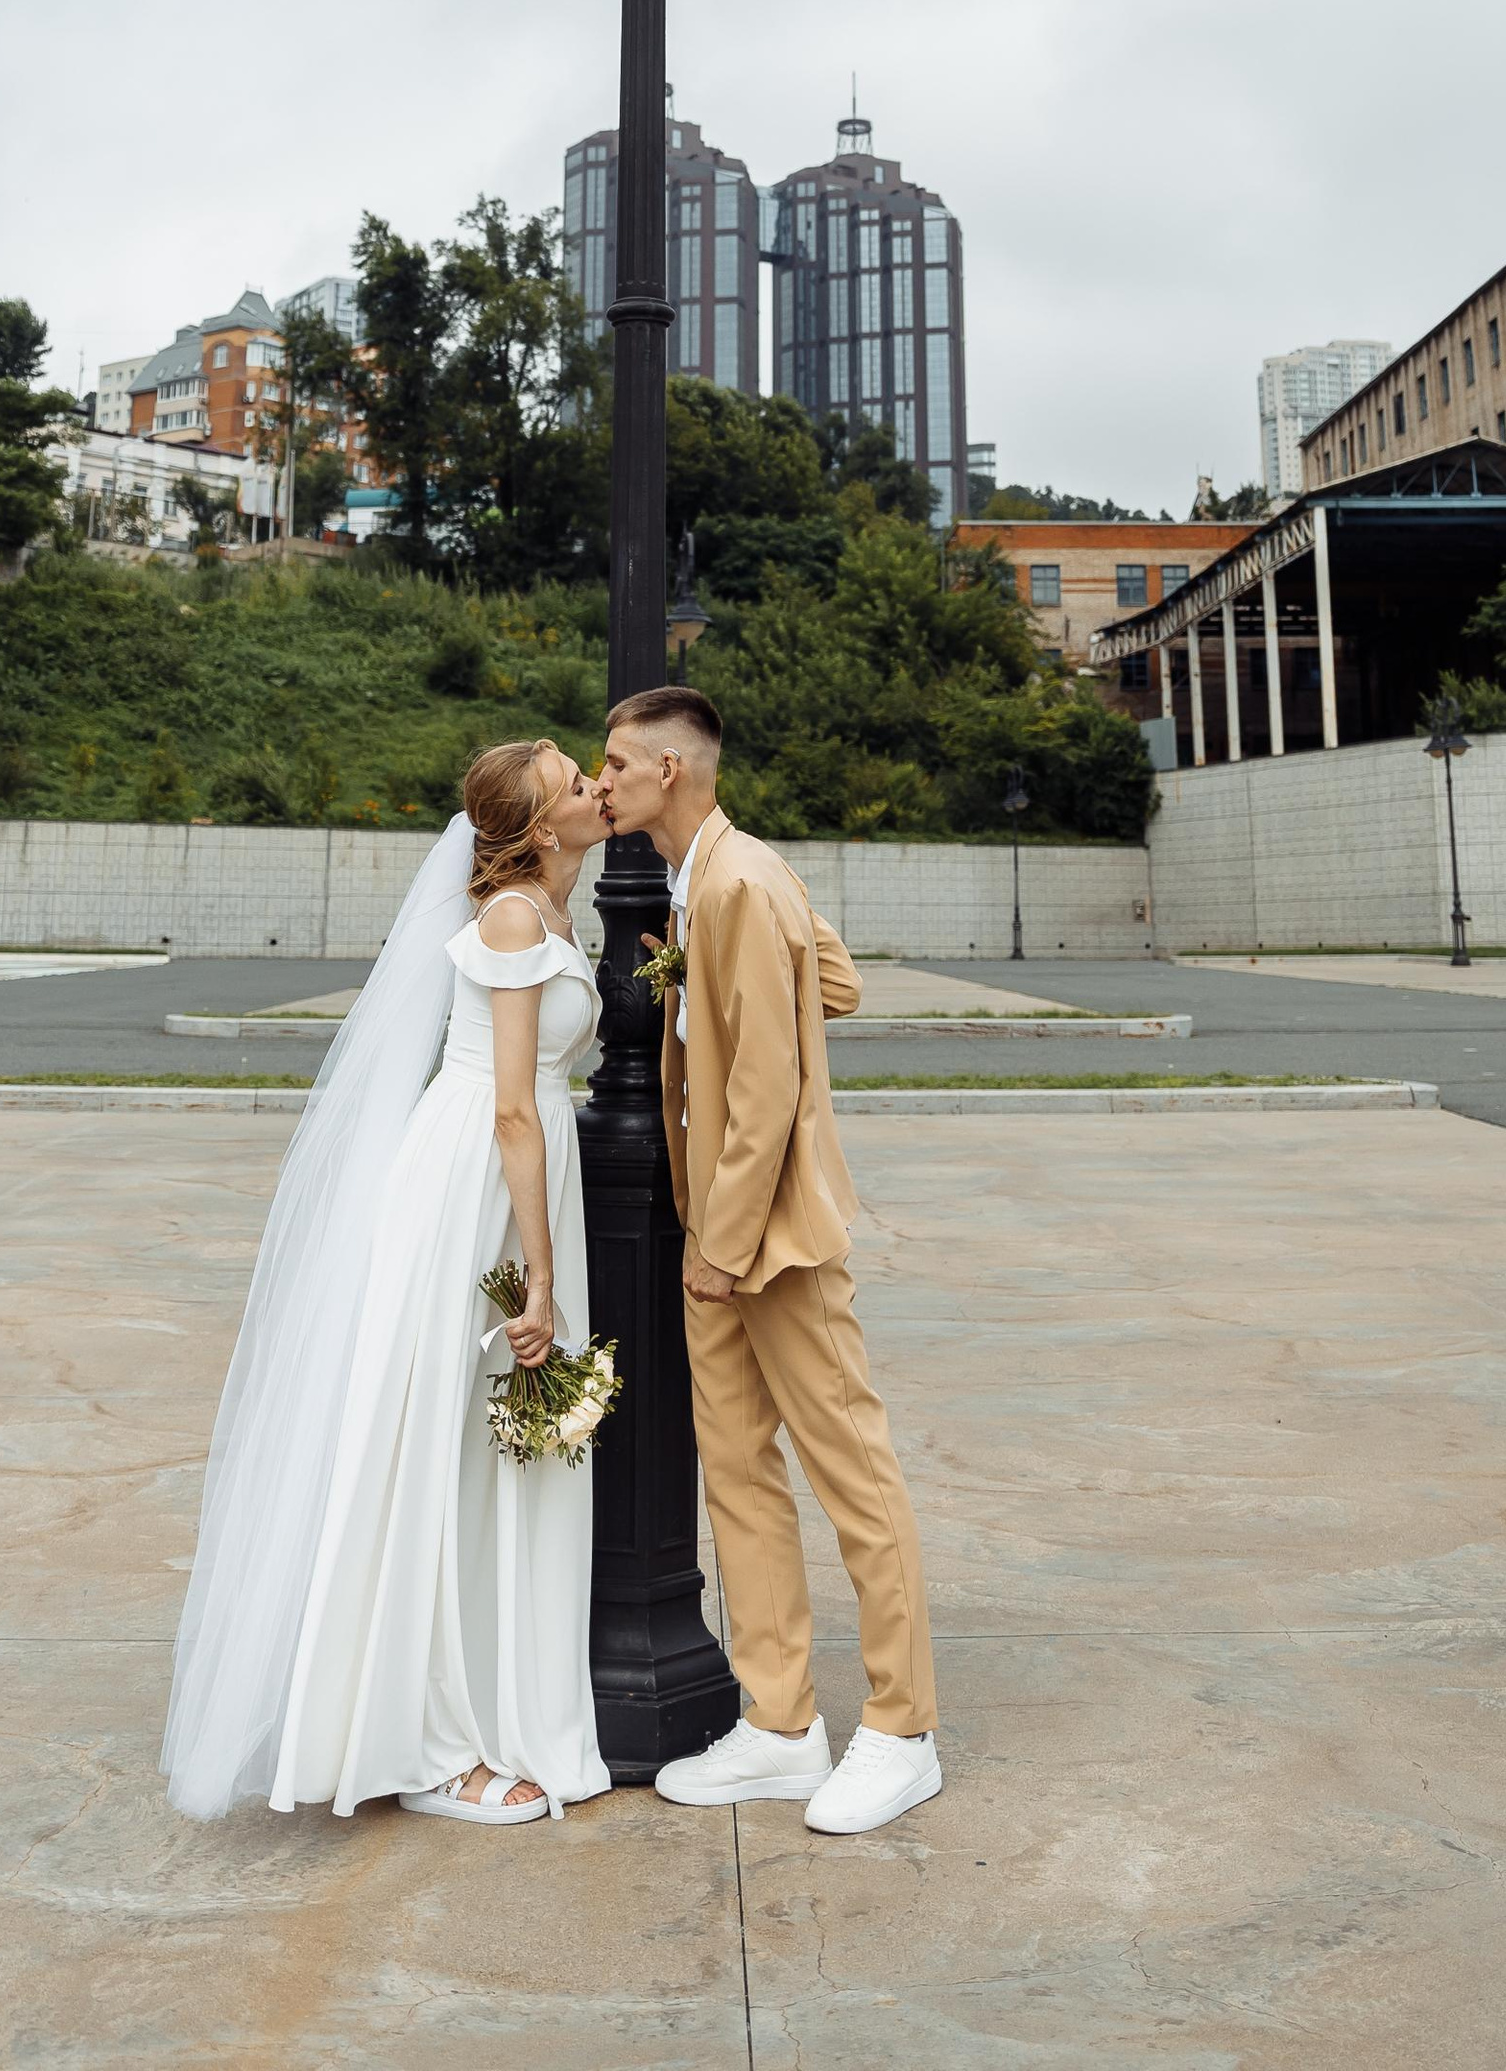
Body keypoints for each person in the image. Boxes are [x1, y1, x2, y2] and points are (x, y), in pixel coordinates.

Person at [161, 738, 613, 1827]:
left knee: (496, 1449)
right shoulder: (512, 919)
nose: (599, 787)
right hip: (473, 1188)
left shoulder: (561, 914)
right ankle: (419, 1742)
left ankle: (490, 1704)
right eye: (574, 784)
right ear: (540, 830)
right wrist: (539, 1276)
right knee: (432, 1445)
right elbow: (510, 1104)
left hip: (520, 1175)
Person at [597, 683, 943, 1837]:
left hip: (768, 1242)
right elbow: (829, 983)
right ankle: (781, 1725)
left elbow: (766, 1085)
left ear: (669, 773)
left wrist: (722, 1246)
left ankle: (901, 1731)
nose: (602, 782)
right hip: (719, 1234)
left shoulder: (739, 881)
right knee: (737, 1474)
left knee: (853, 1475)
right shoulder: (724, 874)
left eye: (614, 764)